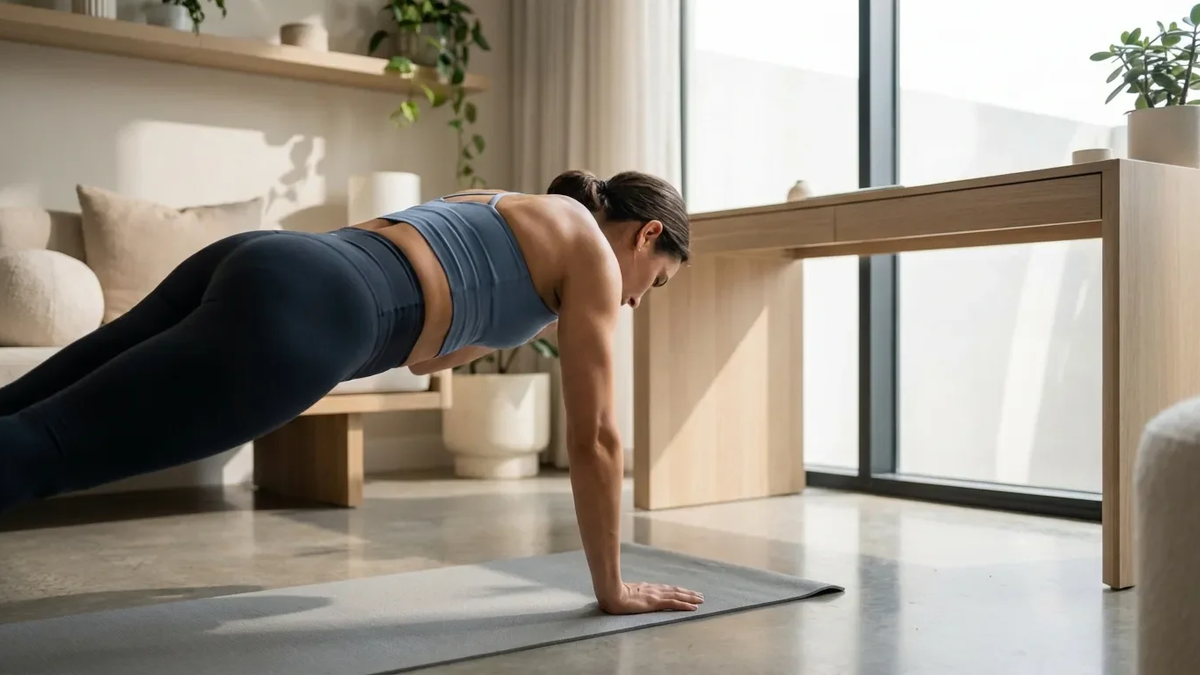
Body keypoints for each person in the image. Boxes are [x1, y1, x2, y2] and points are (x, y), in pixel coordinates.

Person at [0, 169, 704, 616]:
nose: (637, 301)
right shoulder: (593, 261)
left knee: (27, 408)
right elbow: (598, 437)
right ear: (646, 235)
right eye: (657, 281)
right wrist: (611, 586)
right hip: (311, 317)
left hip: (271, 256)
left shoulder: (508, 202)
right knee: (52, 449)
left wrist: (525, 313)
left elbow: (433, 357)